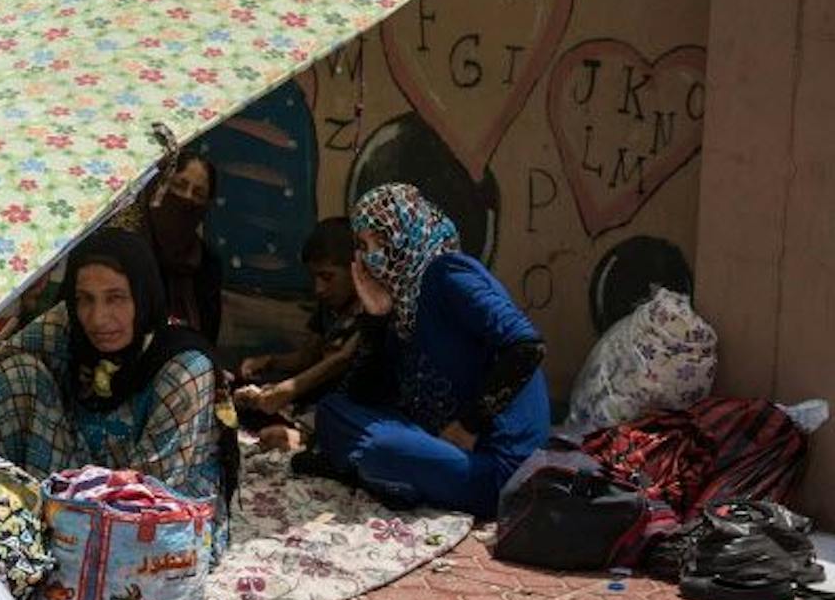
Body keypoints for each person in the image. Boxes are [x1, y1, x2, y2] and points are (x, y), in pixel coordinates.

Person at [302, 183, 548, 518]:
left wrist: (469, 425)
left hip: (498, 467)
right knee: (331, 409)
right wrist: (376, 318)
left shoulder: (448, 274)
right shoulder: (404, 302)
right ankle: (392, 476)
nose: (366, 258)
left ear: (403, 237)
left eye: (374, 243)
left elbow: (527, 346)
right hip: (438, 442)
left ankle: (382, 473)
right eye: (359, 247)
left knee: (382, 448)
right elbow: (366, 393)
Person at [0, 229, 232, 519]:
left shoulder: (184, 369)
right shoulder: (68, 324)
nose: (98, 318)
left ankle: (48, 523)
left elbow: (149, 492)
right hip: (78, 483)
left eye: (116, 298)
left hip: (158, 512)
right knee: (13, 373)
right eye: (85, 299)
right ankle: (15, 514)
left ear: (144, 295)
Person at [235, 217, 362, 443]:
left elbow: (342, 360)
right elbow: (307, 356)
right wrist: (268, 362)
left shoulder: (370, 309)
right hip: (317, 393)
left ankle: (306, 437)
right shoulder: (329, 307)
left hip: (350, 399)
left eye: (327, 277)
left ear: (355, 269)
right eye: (315, 277)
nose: (319, 289)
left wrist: (288, 391)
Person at [136, 148, 223, 344]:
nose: (187, 197)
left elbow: (208, 338)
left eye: (198, 193)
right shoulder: (128, 249)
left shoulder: (207, 262)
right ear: (160, 187)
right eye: (180, 185)